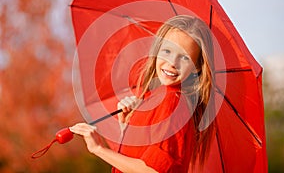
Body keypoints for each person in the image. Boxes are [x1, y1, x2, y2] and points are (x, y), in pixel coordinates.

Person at [70, 15, 215, 173]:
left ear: (198, 67)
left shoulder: (172, 101)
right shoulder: (155, 99)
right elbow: (136, 162)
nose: (172, 63)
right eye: (167, 51)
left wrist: (98, 149)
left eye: (185, 57)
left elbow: (153, 171)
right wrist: (126, 127)